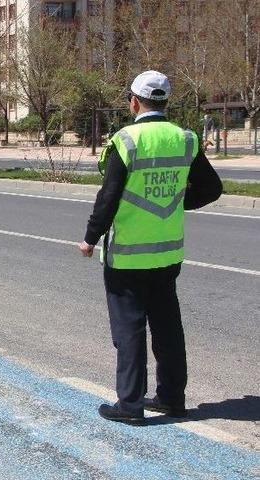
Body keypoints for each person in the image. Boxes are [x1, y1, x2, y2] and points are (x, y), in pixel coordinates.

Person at [79, 71, 222, 425]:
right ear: (165, 102)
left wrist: (90, 238)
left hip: (127, 255)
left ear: (133, 101)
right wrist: (176, 203)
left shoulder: (126, 141)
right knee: (167, 327)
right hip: (166, 255)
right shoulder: (185, 139)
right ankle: (172, 399)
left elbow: (108, 197)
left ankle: (130, 405)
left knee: (129, 329)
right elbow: (211, 188)